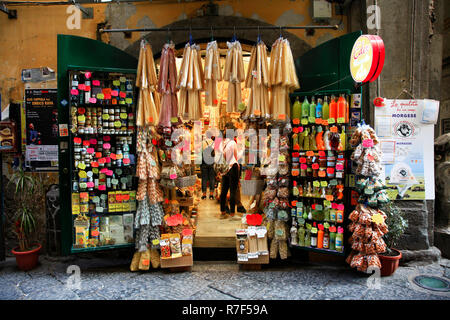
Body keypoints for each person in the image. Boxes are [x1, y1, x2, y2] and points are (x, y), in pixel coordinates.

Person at [219, 122, 239, 219]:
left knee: (224, 190)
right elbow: (236, 156)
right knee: (233, 191)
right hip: (233, 167)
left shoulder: (223, 143)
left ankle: (222, 210)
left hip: (225, 169)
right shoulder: (233, 143)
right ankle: (232, 212)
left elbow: (222, 156)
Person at [201, 135, 216, 200]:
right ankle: (211, 195)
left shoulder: (202, 143)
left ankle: (204, 195)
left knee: (204, 178)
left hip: (204, 162)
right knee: (212, 178)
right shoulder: (214, 142)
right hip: (212, 162)